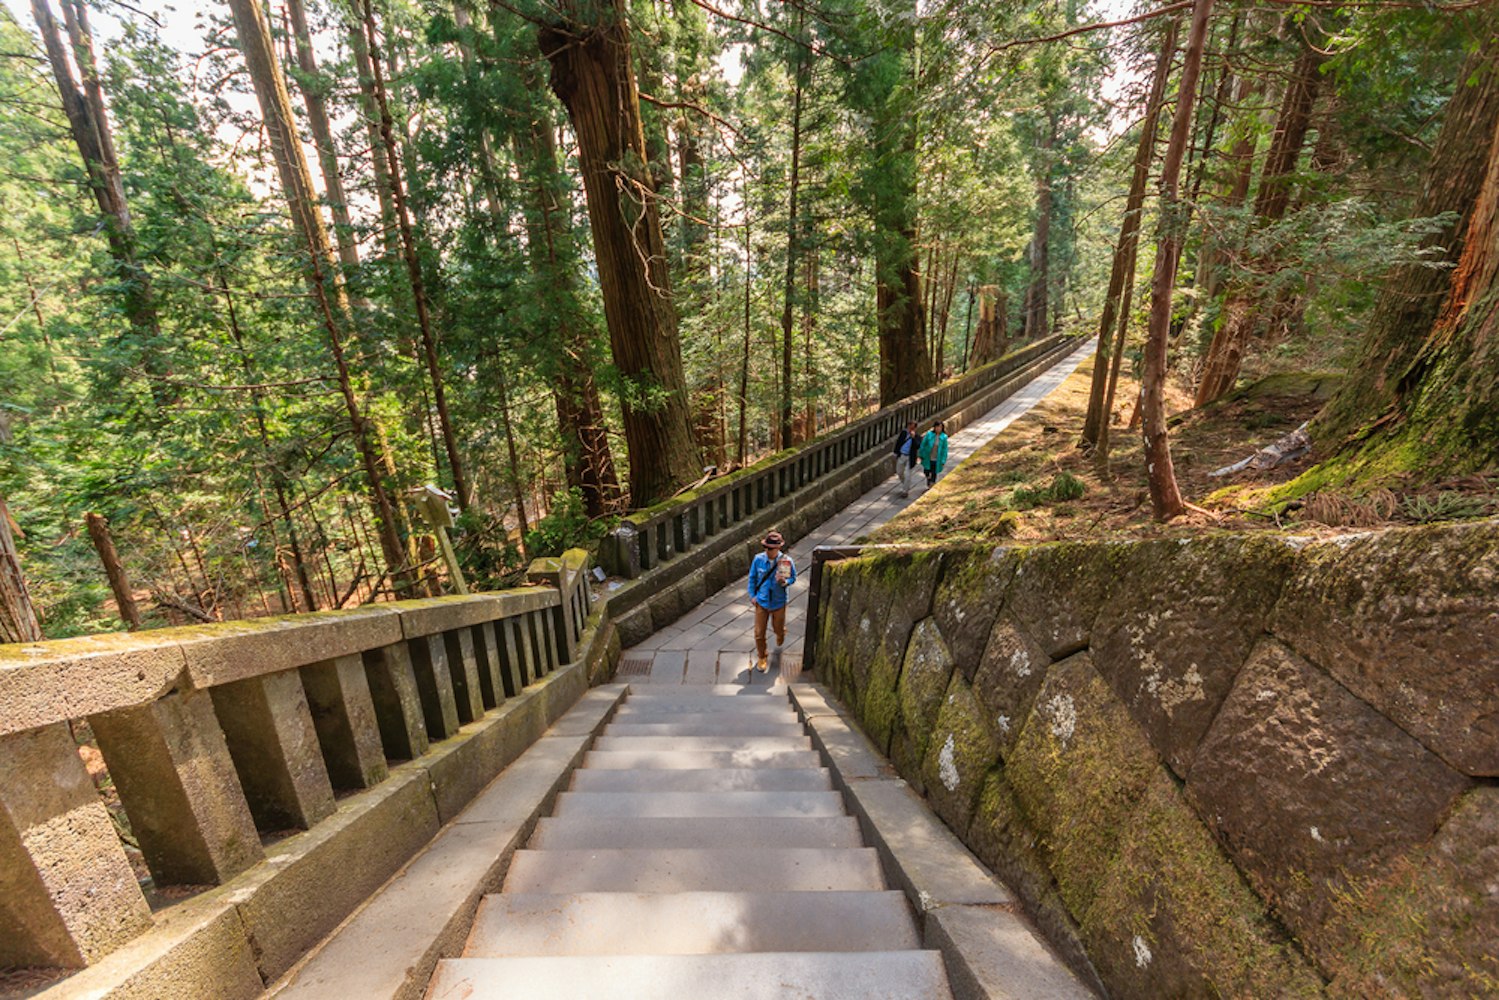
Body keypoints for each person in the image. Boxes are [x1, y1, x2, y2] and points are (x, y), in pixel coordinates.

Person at [747, 530, 797, 672]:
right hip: (762, 601)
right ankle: (762, 656)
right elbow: (752, 578)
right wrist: (752, 595)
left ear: (778, 548)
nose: (768, 551)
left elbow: (793, 578)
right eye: (766, 547)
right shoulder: (758, 560)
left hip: (778, 602)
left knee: (777, 627)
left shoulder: (785, 561)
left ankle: (781, 633)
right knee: (759, 632)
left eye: (771, 548)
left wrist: (784, 581)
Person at [891, 420, 920, 498]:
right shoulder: (903, 433)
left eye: (913, 427)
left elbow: (918, 446)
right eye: (910, 427)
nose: (911, 429)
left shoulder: (917, 436)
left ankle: (905, 491)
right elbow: (898, 443)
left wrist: (913, 438)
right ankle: (905, 484)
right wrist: (895, 453)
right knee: (899, 472)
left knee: (907, 474)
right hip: (901, 455)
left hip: (910, 457)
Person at [918, 419, 949, 487]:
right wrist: (920, 454)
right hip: (928, 456)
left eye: (940, 427)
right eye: (937, 427)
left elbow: (945, 449)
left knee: (934, 471)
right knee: (926, 470)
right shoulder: (929, 434)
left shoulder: (944, 437)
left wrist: (943, 460)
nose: (938, 429)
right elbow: (923, 444)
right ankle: (928, 478)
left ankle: (932, 483)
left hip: (937, 457)